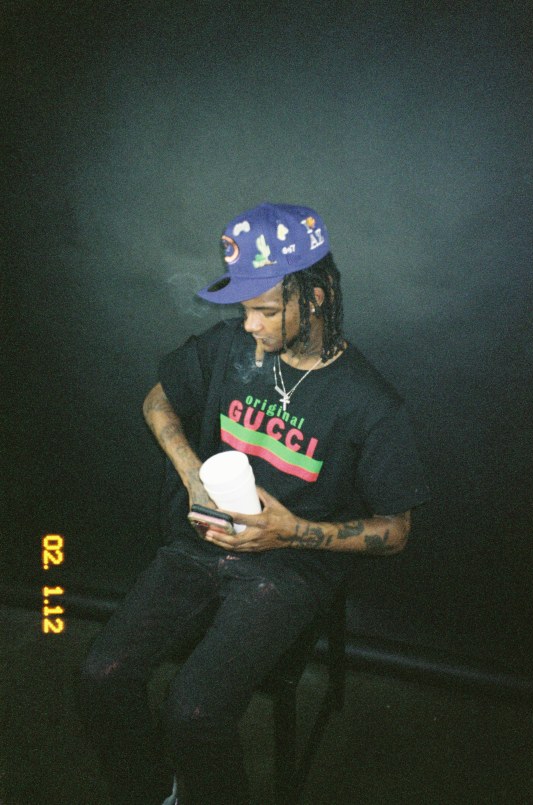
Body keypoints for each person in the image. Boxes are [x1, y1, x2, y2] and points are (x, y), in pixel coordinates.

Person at [79, 202, 430, 805]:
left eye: (265, 310)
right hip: (201, 542)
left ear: (314, 297)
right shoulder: (228, 349)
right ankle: (156, 791)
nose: (248, 325)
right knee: (99, 677)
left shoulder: (370, 403)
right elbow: (157, 399)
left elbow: (396, 531)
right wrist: (192, 474)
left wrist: (290, 531)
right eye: (243, 308)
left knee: (194, 710)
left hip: (288, 567)